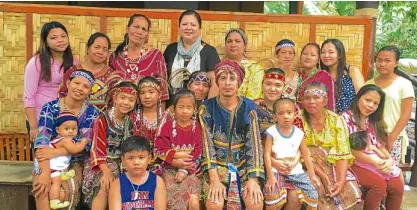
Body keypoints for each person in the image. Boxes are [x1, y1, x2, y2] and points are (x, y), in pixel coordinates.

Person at [199, 60, 264, 210]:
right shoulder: (206, 108)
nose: (227, 83)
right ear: (217, 82)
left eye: (232, 78)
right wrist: (214, 179)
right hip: (216, 169)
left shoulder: (249, 107)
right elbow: (207, 146)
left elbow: (254, 144)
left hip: (243, 169)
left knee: (255, 203)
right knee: (214, 203)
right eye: (223, 78)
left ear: (239, 82)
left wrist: (253, 179)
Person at [32, 69, 100, 210]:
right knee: (42, 187)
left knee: (67, 192)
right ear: (68, 83)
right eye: (76, 83)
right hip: (45, 160)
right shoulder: (50, 108)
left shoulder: (92, 113)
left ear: (89, 92)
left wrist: (55, 152)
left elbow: (85, 144)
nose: (80, 88)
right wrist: (44, 173)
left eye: (86, 86)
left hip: (75, 161)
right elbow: (42, 139)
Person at [301, 82, 361, 209]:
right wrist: (322, 176)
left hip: (331, 163)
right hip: (307, 164)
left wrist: (340, 180)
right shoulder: (297, 119)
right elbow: (299, 152)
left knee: (350, 189)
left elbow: (342, 151)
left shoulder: (336, 120)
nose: (311, 101)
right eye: (307, 98)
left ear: (325, 100)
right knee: (317, 189)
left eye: (316, 97)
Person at [82, 81, 138, 209]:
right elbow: (97, 148)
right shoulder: (102, 119)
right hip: (103, 164)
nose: (126, 103)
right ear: (115, 98)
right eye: (122, 98)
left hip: (124, 163)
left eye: (131, 100)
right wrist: (106, 172)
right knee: (105, 185)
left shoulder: (132, 121)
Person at [23, 21, 77, 142]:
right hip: (41, 118)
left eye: (63, 36)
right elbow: (28, 96)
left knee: (63, 158)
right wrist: (33, 127)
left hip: (65, 120)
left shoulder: (74, 62)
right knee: (43, 157)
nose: (60, 40)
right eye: (54, 37)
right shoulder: (36, 62)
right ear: (45, 42)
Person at [263, 98, 319, 210]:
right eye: (281, 113)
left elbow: (306, 155)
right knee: (272, 194)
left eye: (289, 113)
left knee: (313, 194)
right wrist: (270, 176)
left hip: (295, 171)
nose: (286, 116)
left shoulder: (299, 133)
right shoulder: (271, 132)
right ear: (274, 116)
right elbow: (266, 155)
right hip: (276, 171)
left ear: (295, 114)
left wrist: (312, 175)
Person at [154, 89, 202, 209]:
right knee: (170, 191)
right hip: (169, 168)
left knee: (193, 201)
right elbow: (159, 148)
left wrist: (185, 170)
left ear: (194, 109)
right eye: (181, 107)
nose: (185, 111)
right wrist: (176, 156)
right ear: (174, 108)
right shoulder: (167, 126)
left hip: (190, 170)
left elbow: (199, 151)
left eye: (189, 107)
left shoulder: (197, 127)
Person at [367, 46, 414, 166]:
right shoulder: (368, 84)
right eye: (379, 60)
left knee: (389, 171)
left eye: (387, 61)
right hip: (371, 136)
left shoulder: (404, 84)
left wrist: (392, 138)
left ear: (396, 63)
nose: (382, 64)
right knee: (371, 172)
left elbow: (406, 115)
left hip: (393, 136)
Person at [109, 13, 169, 105]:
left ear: (147, 34)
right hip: (121, 114)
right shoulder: (115, 57)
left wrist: (160, 118)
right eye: (136, 27)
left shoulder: (156, 56)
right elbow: (111, 92)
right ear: (127, 28)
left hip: (147, 115)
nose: (139, 32)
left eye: (144, 29)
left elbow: (163, 94)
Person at [33, 110, 88, 209]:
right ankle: (54, 201)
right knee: (56, 182)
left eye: (74, 129)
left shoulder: (59, 139)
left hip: (52, 165)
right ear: (58, 130)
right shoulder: (65, 140)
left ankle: (63, 175)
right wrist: (83, 142)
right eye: (67, 129)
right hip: (49, 167)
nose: (71, 131)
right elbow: (75, 150)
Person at [164, 10, 220, 97]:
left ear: (199, 29)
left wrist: (206, 108)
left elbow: (215, 84)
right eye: (184, 24)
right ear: (179, 27)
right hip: (172, 105)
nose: (188, 28)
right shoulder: (171, 49)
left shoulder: (209, 51)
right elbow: (164, 80)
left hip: (199, 106)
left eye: (193, 25)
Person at [59, 32, 114, 111]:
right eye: (97, 47)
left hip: (102, 121)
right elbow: (62, 95)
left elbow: (115, 102)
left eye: (105, 49)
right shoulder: (73, 71)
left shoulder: (112, 76)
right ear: (88, 48)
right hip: (72, 119)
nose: (100, 52)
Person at [109, 136, 167, 210]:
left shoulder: (158, 182)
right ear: (123, 160)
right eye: (131, 158)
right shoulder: (117, 184)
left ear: (149, 159)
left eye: (141, 157)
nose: (136, 162)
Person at [216, 28, 264, 100]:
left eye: (237, 41)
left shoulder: (254, 68)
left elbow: (254, 97)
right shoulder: (217, 66)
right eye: (229, 41)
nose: (233, 44)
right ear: (225, 45)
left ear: (245, 45)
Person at [320, 39, 365, 113]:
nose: (326, 55)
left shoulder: (352, 71)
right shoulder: (321, 75)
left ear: (340, 55)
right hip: (329, 120)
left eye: (331, 52)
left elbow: (363, 96)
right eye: (323, 52)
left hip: (350, 119)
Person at [297, 43, 335, 112]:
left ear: (318, 59)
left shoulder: (324, 76)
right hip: (295, 116)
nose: (308, 57)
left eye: (313, 55)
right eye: (305, 54)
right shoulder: (297, 74)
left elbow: (330, 103)